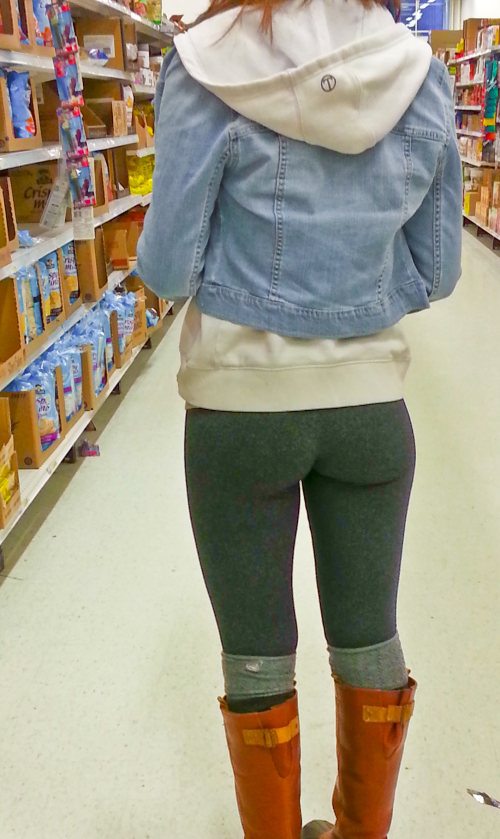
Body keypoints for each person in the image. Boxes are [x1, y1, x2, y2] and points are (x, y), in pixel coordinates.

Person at [137, 0, 462, 836]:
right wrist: (356, 293)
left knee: (256, 652)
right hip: (371, 412)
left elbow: (168, 268)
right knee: (370, 637)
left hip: (240, 409)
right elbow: (440, 270)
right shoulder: (419, 74)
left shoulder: (205, 66)